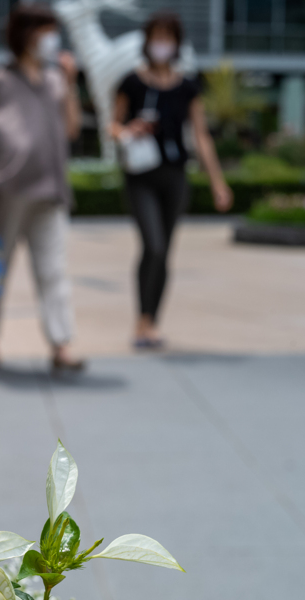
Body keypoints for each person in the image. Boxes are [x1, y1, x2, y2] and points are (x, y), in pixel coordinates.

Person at [0, 3, 84, 372]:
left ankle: (61, 344)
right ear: (25, 33)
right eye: (45, 30)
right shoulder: (0, 79)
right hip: (7, 190)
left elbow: (71, 129)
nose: (52, 39)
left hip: (49, 190)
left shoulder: (55, 80)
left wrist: (70, 82)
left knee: (54, 270)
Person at [111, 12, 232, 349]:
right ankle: (141, 319)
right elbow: (112, 126)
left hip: (175, 175)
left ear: (177, 43)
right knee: (153, 245)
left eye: (168, 37)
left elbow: (201, 136)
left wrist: (217, 182)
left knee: (164, 252)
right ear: (147, 41)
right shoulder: (131, 82)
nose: (161, 44)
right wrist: (129, 130)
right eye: (156, 37)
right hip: (140, 176)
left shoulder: (188, 86)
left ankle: (151, 322)